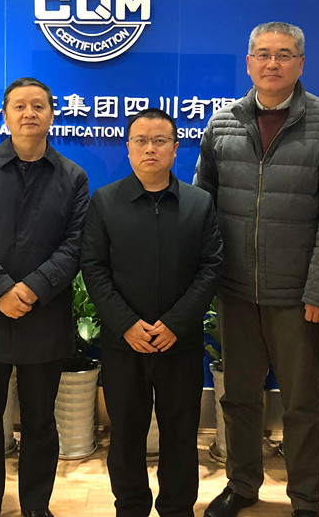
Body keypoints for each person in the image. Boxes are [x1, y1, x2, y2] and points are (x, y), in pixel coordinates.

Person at [194, 22, 319, 517]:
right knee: (239, 399)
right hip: (236, 290)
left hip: (297, 296)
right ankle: (243, 485)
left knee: (303, 404)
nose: (272, 63)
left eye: (284, 55)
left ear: (300, 64)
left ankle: (306, 499)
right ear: (248, 63)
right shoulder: (222, 124)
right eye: (263, 54)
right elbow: (202, 206)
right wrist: (205, 279)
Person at [0, 77, 89, 517]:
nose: (29, 113)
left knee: (41, 422)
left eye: (38, 106)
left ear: (52, 114)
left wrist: (32, 288)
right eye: (20, 106)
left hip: (43, 316)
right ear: (5, 115)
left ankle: (36, 507)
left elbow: (75, 244)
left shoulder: (72, 177)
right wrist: (0, 289)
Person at [80, 108, 222, 517]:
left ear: (175, 149)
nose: (150, 148)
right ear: (128, 148)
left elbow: (211, 267)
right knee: (125, 435)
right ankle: (131, 507)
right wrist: (126, 324)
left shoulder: (198, 203)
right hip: (124, 344)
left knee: (181, 434)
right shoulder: (105, 201)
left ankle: (177, 508)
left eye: (160, 141)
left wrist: (176, 324)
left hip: (180, 343)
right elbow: (94, 268)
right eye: (141, 140)